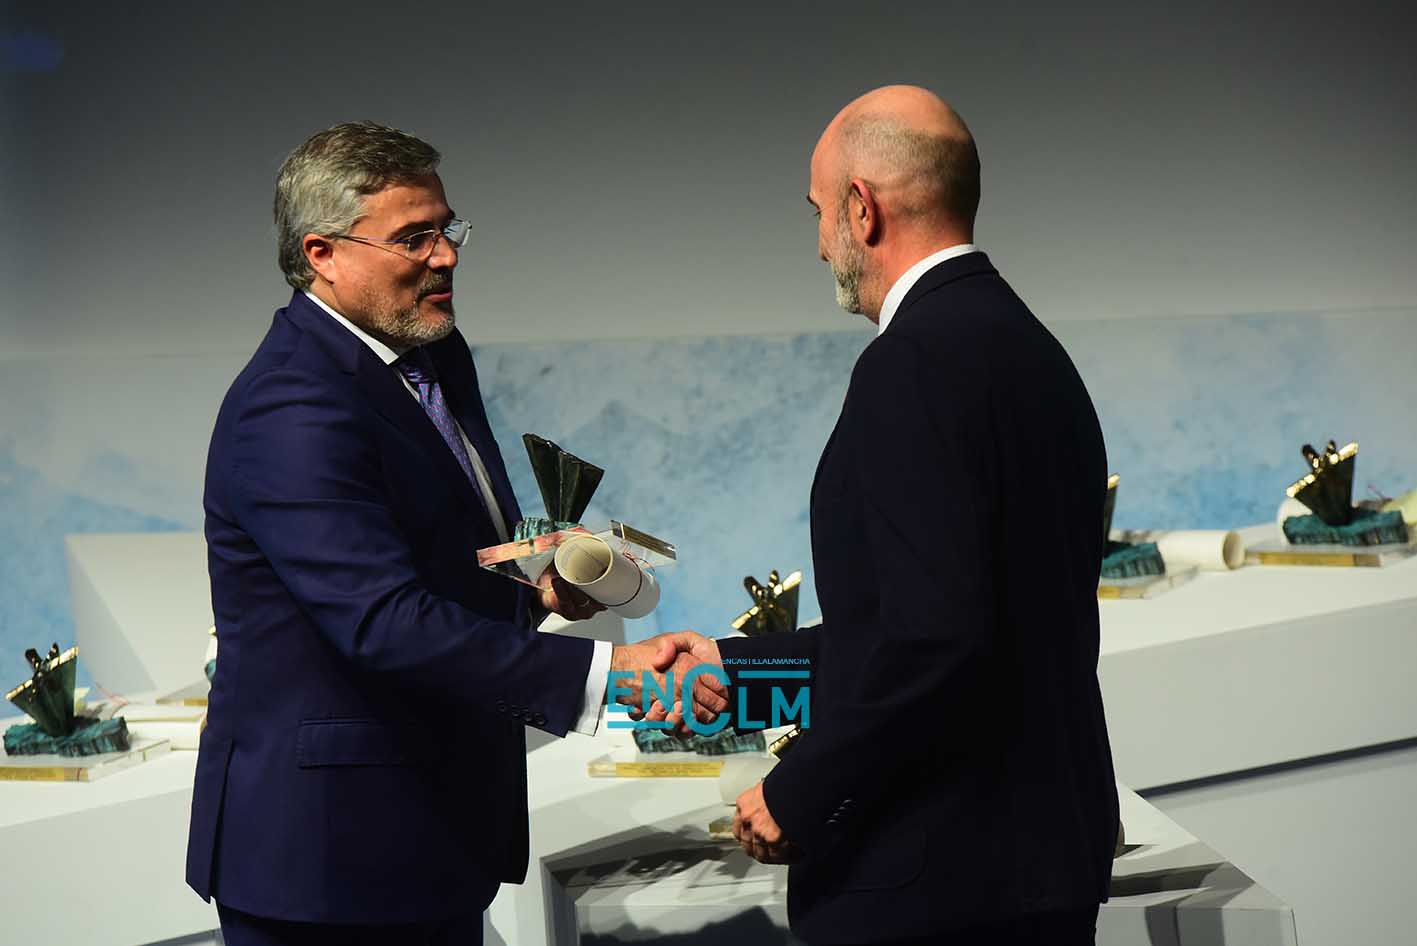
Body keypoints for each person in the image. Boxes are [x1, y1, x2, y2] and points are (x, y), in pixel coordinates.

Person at [185, 120, 702, 946]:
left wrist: (532, 588)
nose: (447, 255)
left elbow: (443, 558)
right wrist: (610, 678)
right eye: (413, 238)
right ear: (321, 254)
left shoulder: (430, 355)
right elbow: (380, 620)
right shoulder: (291, 405)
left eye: (448, 228)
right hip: (331, 860)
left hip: (427, 831)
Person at [655, 86, 1119, 945]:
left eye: (817, 212)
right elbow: (954, 627)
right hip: (1037, 864)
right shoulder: (1033, 351)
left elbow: (933, 642)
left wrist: (798, 793)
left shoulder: (909, 366)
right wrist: (735, 668)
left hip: (936, 881)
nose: (817, 243)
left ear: (860, 209)